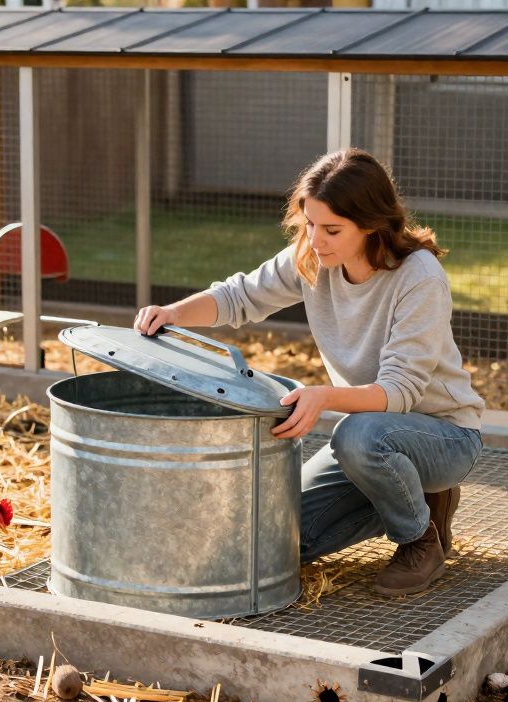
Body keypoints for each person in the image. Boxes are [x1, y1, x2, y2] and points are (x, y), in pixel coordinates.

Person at [134, 148, 485, 596]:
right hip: (372, 436)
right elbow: (239, 297)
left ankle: (420, 540)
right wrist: (172, 313)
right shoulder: (311, 258)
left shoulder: (420, 277)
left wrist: (322, 396)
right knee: (277, 540)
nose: (317, 240)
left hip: (445, 436)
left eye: (332, 229)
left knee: (355, 436)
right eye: (310, 224)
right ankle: (411, 498)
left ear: (373, 222)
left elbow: (401, 390)